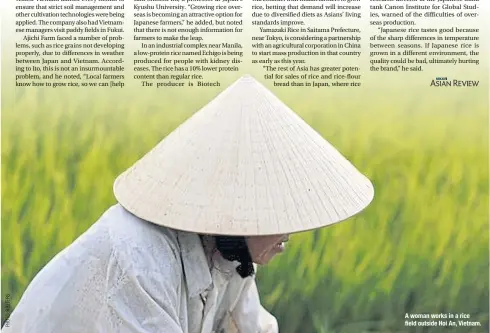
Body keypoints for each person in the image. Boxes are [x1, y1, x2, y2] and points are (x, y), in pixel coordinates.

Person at [3, 75, 374, 333]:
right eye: (277, 215)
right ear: (237, 211)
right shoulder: (140, 258)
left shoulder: (231, 255)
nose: (290, 233)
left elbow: (255, 326)